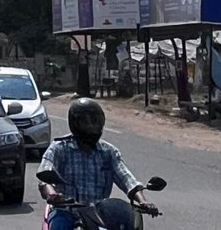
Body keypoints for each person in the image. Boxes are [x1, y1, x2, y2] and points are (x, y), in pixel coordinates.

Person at [39, 98, 152, 230]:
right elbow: (45, 177)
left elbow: (126, 179)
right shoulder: (59, 148)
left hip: (100, 215)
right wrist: (52, 194)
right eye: (86, 123)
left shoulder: (108, 152)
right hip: (66, 212)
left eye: (95, 122)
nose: (91, 127)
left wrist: (144, 201)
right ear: (75, 123)